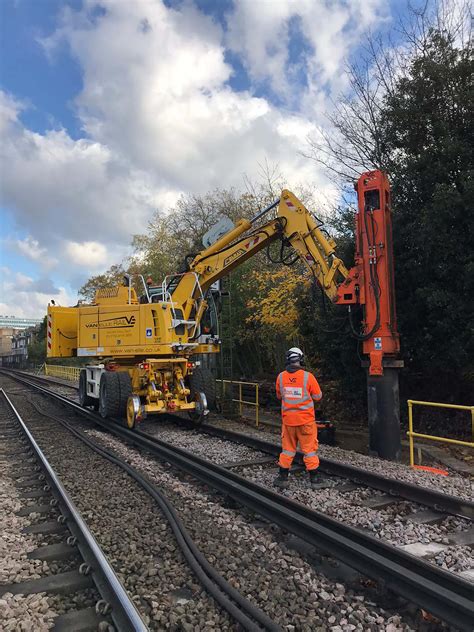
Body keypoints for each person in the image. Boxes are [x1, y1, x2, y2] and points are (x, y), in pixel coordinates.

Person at [274, 347, 322, 489]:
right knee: (309, 450)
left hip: (288, 422)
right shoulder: (308, 377)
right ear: (300, 359)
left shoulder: (281, 377)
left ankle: (283, 478)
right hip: (306, 422)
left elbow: (279, 396)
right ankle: (315, 480)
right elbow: (318, 396)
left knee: (287, 450)